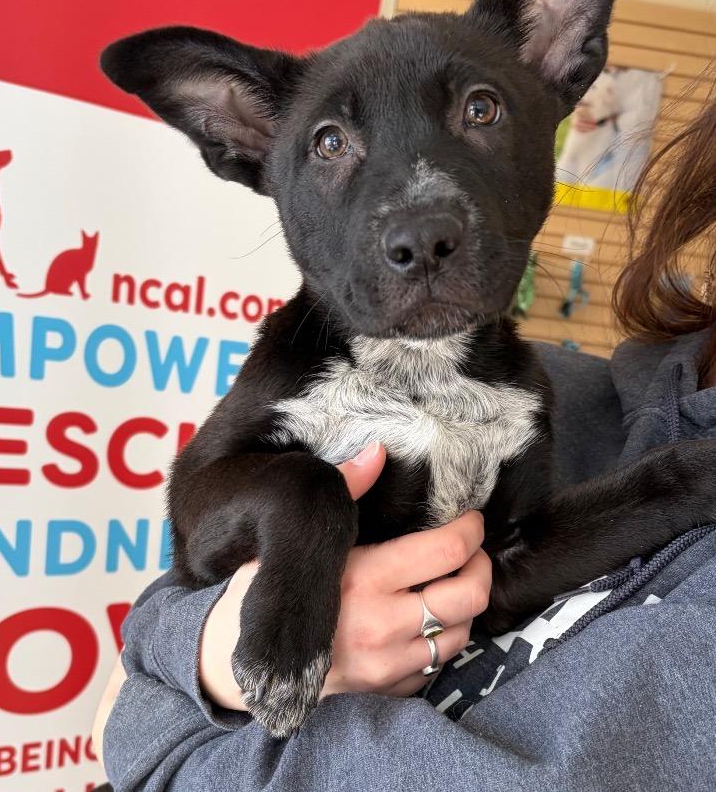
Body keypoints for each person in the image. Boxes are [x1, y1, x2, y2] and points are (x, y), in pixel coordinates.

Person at [93, 81, 716, 791]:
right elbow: (158, 614)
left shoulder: (532, 395)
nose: (420, 227)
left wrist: (154, 718)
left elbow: (137, 727)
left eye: (480, 110)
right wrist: (210, 645)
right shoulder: (573, 390)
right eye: (330, 143)